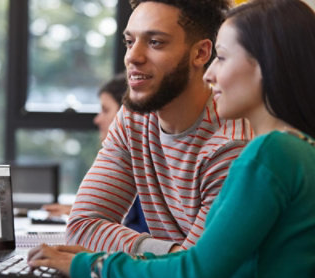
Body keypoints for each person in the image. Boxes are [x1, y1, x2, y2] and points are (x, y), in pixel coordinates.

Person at [27, 0, 315, 278]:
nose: (211, 74)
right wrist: (164, 257)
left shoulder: (265, 153)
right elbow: (196, 264)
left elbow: (193, 273)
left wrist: (91, 264)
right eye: (129, 42)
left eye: (223, 58)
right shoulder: (295, 149)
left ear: (264, 65)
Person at [64, 0, 251, 256]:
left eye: (155, 42)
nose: (133, 56)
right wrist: (170, 253)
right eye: (130, 42)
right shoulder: (134, 120)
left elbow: (199, 269)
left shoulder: (229, 146)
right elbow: (82, 228)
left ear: (201, 53)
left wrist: (167, 259)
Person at [43, 73, 150, 233]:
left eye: (105, 110)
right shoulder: (131, 159)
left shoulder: (148, 166)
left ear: (126, 113)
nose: (97, 119)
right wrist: (84, 212)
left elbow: (140, 229)